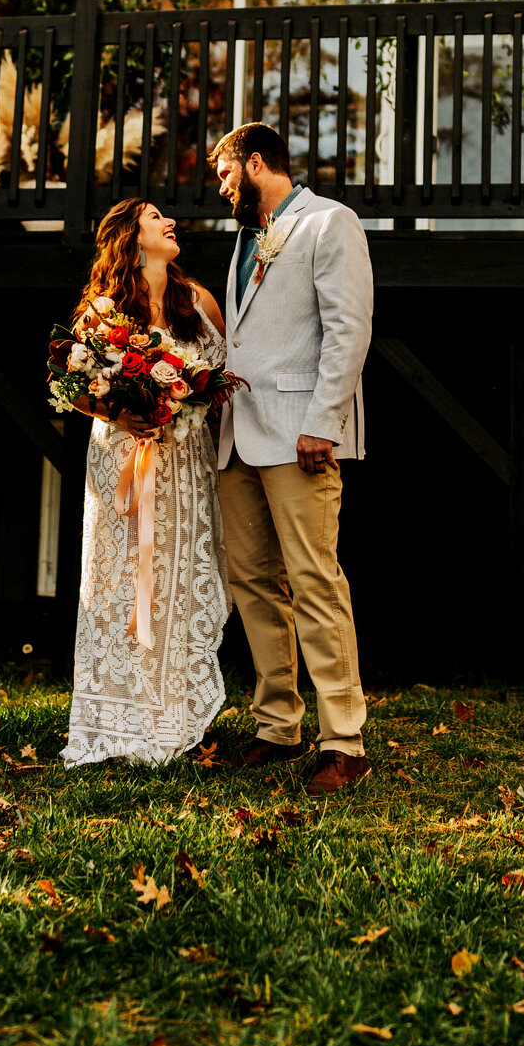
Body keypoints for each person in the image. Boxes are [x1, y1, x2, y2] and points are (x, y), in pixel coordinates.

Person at [209, 123, 374, 797]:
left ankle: (345, 741)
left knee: (314, 580)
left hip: (300, 434)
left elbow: (348, 326)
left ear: (255, 163)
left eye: (224, 174)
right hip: (238, 435)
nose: (221, 189)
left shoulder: (329, 223)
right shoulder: (246, 239)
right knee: (252, 581)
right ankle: (278, 724)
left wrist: (322, 423)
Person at [62, 198, 230, 766]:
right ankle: (118, 716)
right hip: (124, 461)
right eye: (157, 218)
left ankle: (177, 715)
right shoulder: (103, 311)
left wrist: (189, 398)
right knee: (121, 581)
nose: (171, 223)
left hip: (186, 460)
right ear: (132, 237)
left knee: (178, 575)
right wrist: (118, 412)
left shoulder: (197, 302)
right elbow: (73, 389)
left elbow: (218, 378)